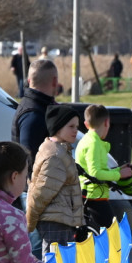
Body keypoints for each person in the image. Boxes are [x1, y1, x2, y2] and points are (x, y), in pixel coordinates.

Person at [27, 106, 83, 254]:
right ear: (57, 127)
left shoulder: (59, 150)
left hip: (59, 220)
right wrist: (29, 222)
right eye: (71, 126)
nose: (75, 130)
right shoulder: (56, 156)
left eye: (77, 126)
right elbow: (41, 193)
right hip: (55, 222)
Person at [77, 104, 132, 229]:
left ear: (86, 124)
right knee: (112, 232)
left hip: (92, 194)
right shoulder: (94, 144)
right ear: (107, 122)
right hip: (94, 196)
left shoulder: (88, 140)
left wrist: (119, 169)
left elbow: (97, 170)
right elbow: (95, 173)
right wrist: (119, 175)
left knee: (104, 232)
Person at [12, 59, 60, 174]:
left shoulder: (39, 108)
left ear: (29, 81)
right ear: (54, 81)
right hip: (36, 188)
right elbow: (28, 161)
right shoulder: (33, 115)